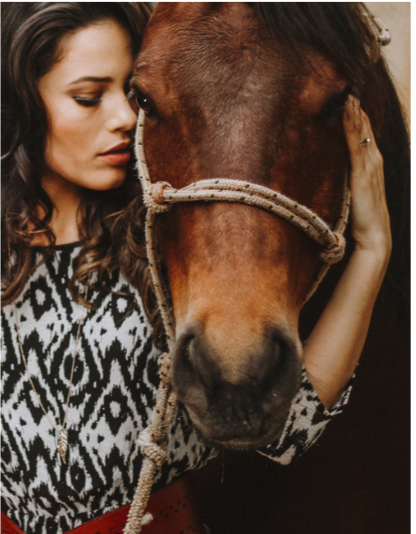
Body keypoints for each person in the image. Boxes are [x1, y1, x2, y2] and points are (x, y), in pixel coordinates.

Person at [1, 3, 391, 534]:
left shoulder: (158, 250)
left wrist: (371, 251)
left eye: (131, 96)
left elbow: (285, 431)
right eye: (88, 97)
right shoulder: (8, 253)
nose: (123, 118)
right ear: (23, 103)